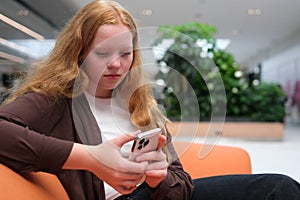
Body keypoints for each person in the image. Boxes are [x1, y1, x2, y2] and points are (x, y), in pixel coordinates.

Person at [0, 1, 299, 200]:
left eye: (125, 53)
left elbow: (181, 185)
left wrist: (159, 178)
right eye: (103, 54)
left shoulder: (140, 103)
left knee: (280, 188)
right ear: (78, 53)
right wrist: (89, 158)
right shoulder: (56, 99)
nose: (116, 65)